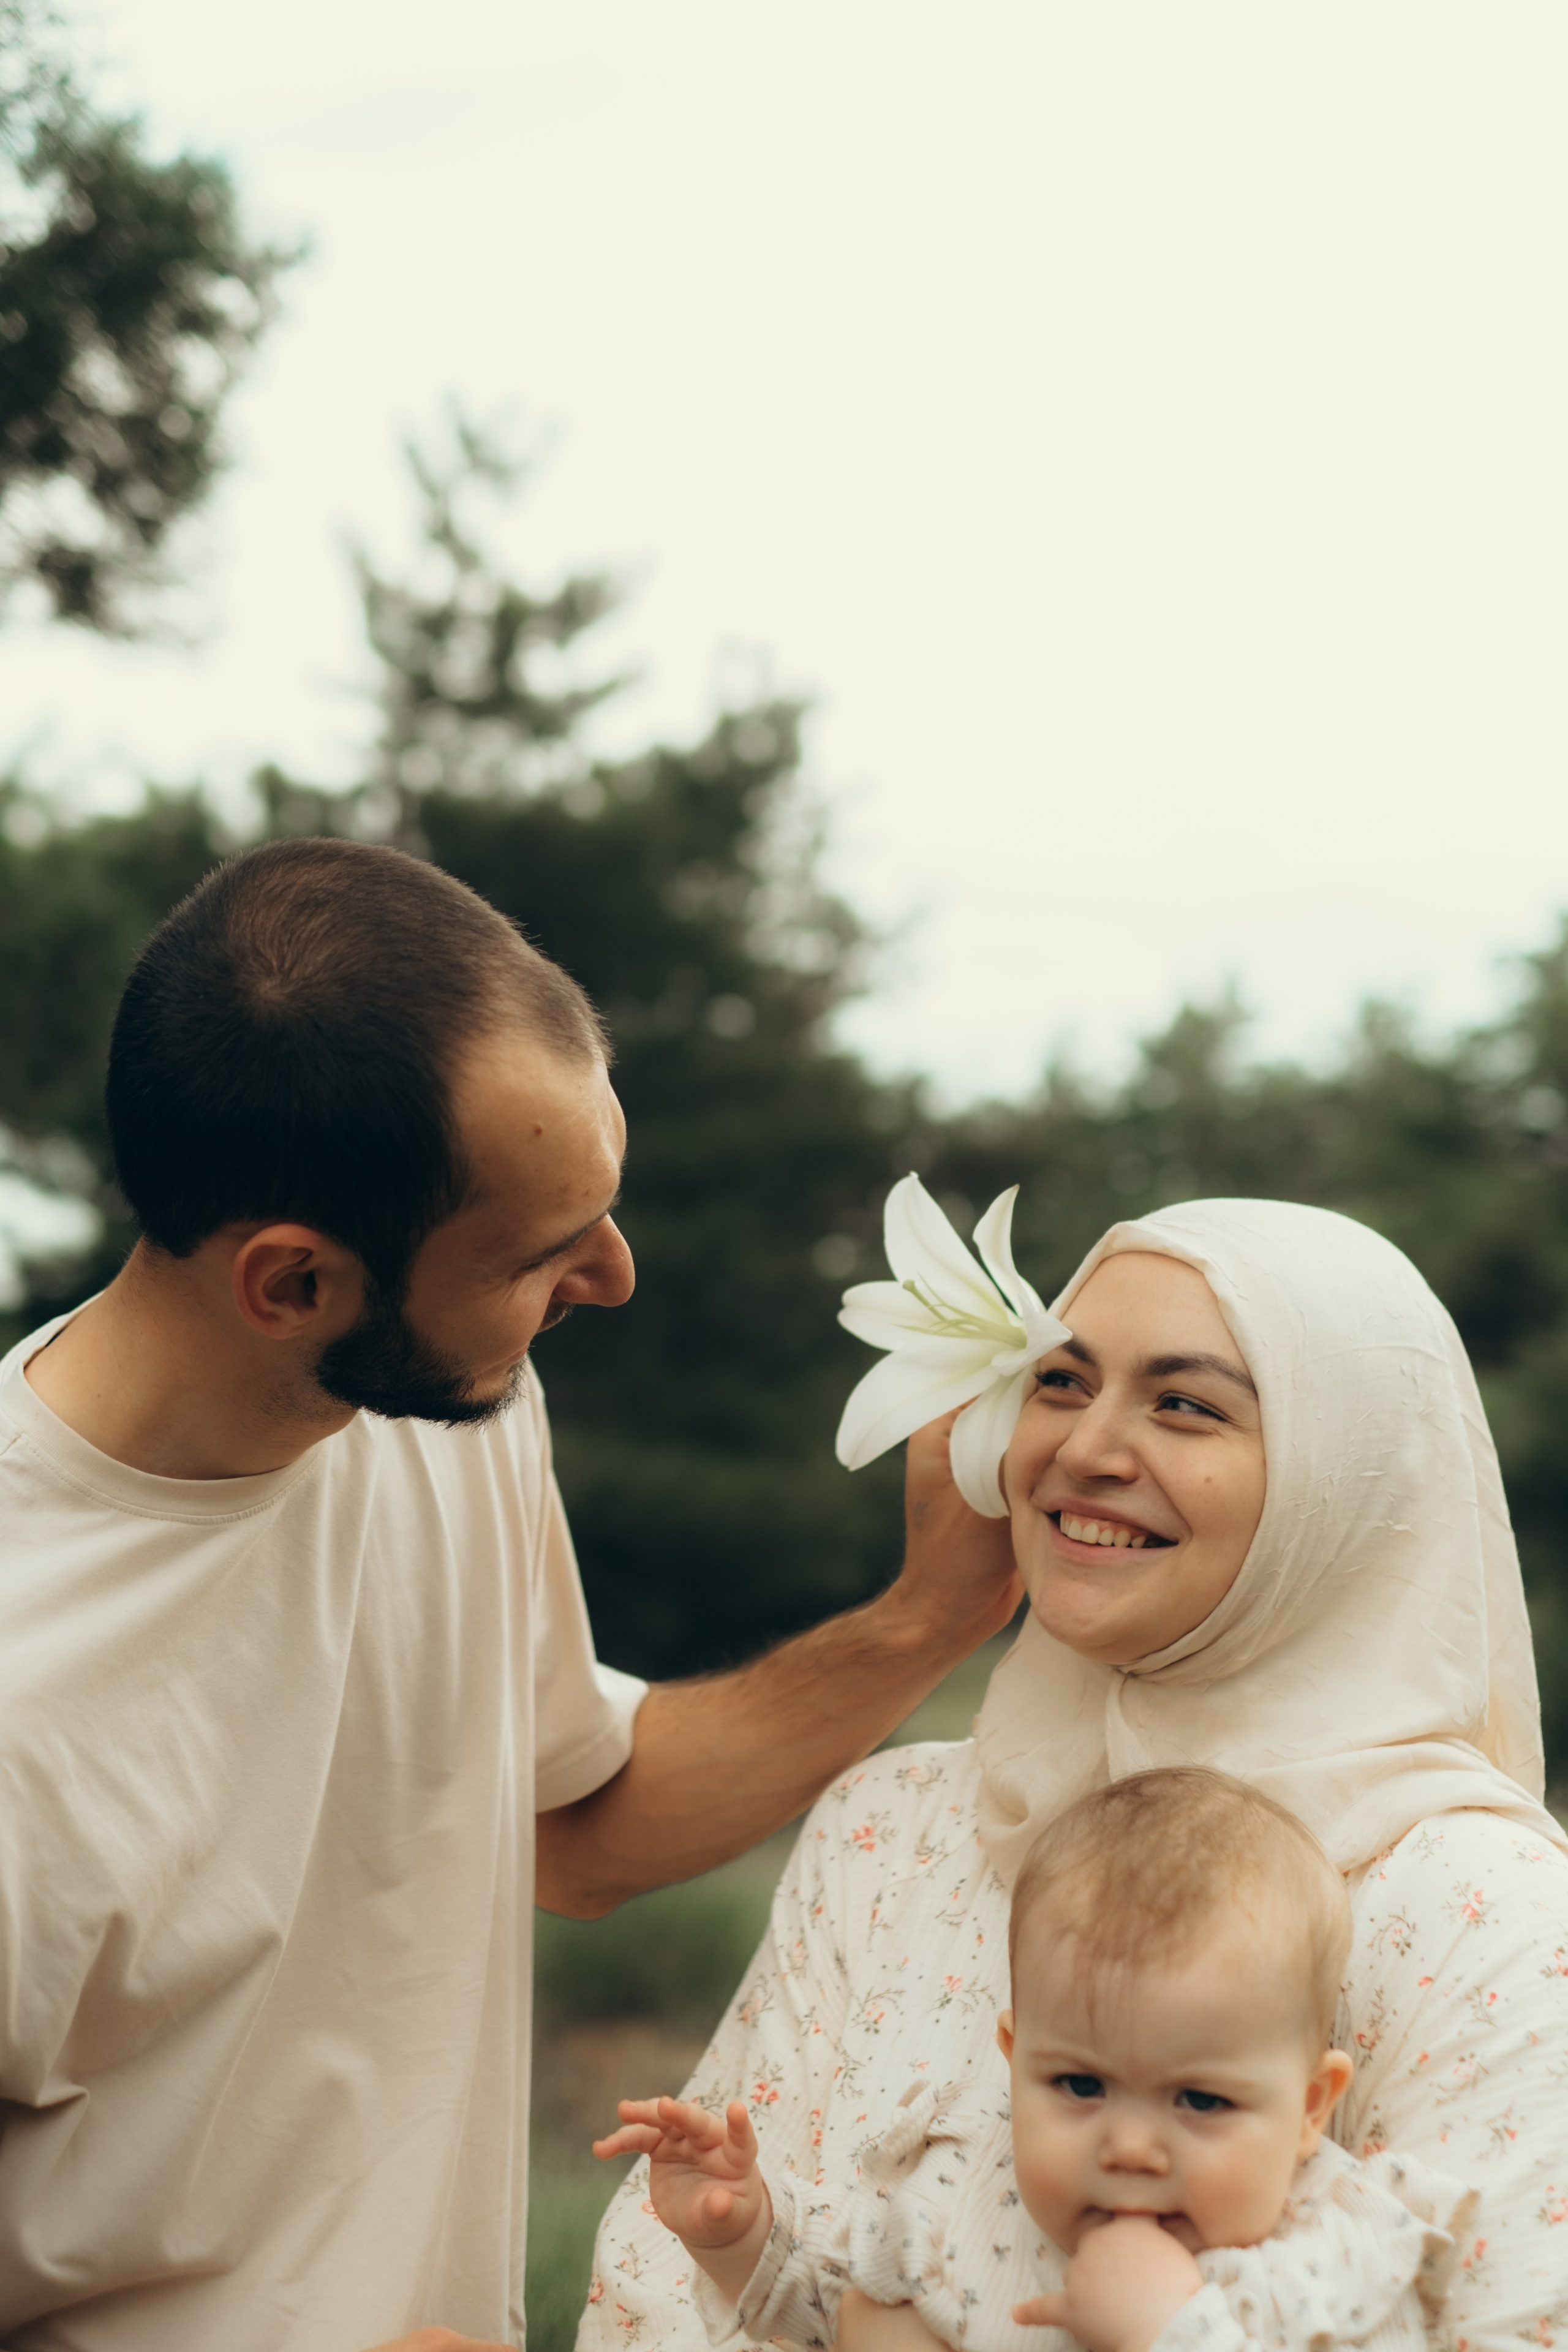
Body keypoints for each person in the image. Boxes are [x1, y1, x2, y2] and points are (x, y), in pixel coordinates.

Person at [0, 840, 1019, 2352]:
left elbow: (571, 1826)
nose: (613, 1275)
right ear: (293, 1284)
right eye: (545, 1250)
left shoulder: (441, 1409)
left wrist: (928, 1616)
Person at [584, 1197, 1568, 2352]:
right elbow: (659, 2304)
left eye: (1186, 1404)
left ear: (1346, 1477)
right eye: (1060, 1381)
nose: (1084, 1450)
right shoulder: (891, 1830)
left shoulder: (1483, 1907)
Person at [596, 1768, 1474, 2352]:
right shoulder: (970, 2195)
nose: (1130, 2148)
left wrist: (1175, 2330)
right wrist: (742, 2227)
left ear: (1311, 2107)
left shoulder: (1335, 2252)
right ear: (1015, 2065)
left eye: (1201, 2102)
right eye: (1081, 2085)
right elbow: (831, 2288)